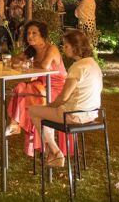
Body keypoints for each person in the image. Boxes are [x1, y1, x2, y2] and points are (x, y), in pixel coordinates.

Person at [28, 30, 103, 168]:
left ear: (76, 47)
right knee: (45, 113)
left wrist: (51, 105)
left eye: (66, 46)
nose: (64, 48)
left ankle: (56, 152)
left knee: (33, 111)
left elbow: (63, 97)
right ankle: (53, 152)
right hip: (92, 113)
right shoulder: (93, 64)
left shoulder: (77, 67)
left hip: (74, 115)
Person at [5, 21, 67, 158]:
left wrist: (27, 62)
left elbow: (44, 66)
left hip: (58, 89)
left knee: (33, 93)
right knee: (21, 87)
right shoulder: (31, 51)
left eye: (34, 33)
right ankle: (14, 124)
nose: (30, 36)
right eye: (28, 33)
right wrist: (22, 61)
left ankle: (44, 144)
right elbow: (14, 60)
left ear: (43, 35)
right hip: (42, 85)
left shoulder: (51, 49)